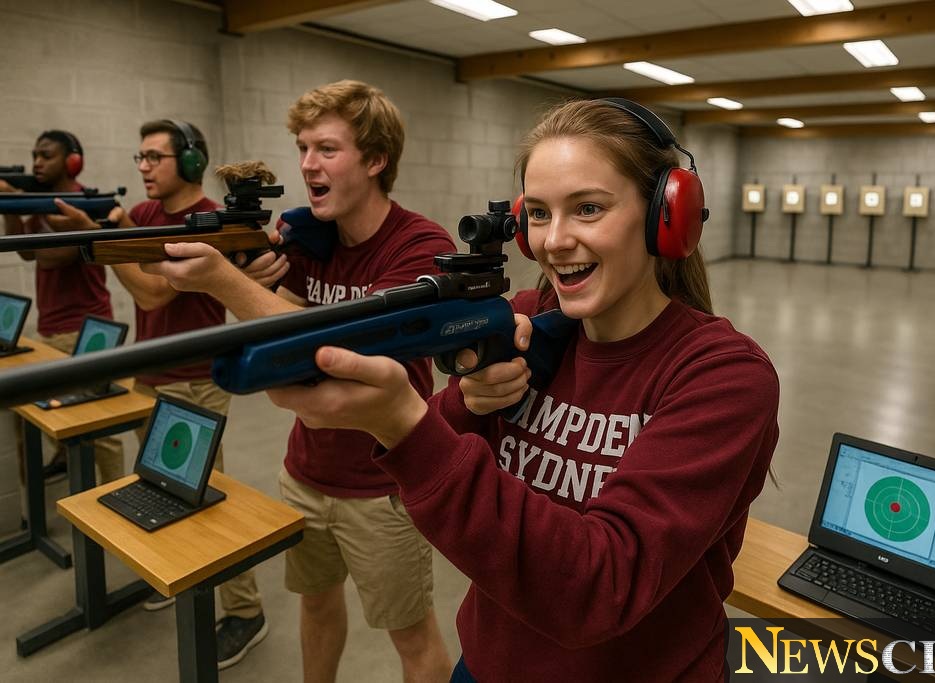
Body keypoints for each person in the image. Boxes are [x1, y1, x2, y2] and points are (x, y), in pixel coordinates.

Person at [258, 98, 781, 681]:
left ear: (667, 214)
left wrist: (404, 422)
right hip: (484, 664)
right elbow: (411, 498)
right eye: (537, 213)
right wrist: (464, 402)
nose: (554, 240)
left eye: (588, 208)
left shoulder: (723, 375)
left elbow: (598, 588)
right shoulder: (529, 323)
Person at [136, 81, 455, 682]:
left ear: (376, 159)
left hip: (383, 487)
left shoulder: (420, 246)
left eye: (328, 149)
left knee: (412, 637)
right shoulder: (310, 239)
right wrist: (258, 278)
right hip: (306, 471)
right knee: (315, 605)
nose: (308, 163)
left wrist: (227, 284)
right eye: (304, 147)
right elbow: (276, 336)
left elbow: (343, 345)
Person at [50, 120, 269, 669]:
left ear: (191, 163)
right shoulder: (144, 217)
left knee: (206, 499)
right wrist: (112, 236)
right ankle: (183, 579)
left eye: (155, 157)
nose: (142, 167)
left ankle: (245, 611)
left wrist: (106, 244)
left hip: (196, 378)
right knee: (162, 490)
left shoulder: (209, 224)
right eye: (139, 156)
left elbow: (150, 295)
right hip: (151, 375)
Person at [0, 130, 123, 485]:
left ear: (72, 161)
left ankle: (115, 492)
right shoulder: (41, 202)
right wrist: (12, 208)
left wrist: (20, 201)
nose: (37, 161)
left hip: (87, 331)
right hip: (52, 329)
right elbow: (23, 250)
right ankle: (35, 495)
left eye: (47, 155)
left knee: (101, 424)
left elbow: (53, 256)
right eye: (34, 154)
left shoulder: (82, 205)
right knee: (29, 416)